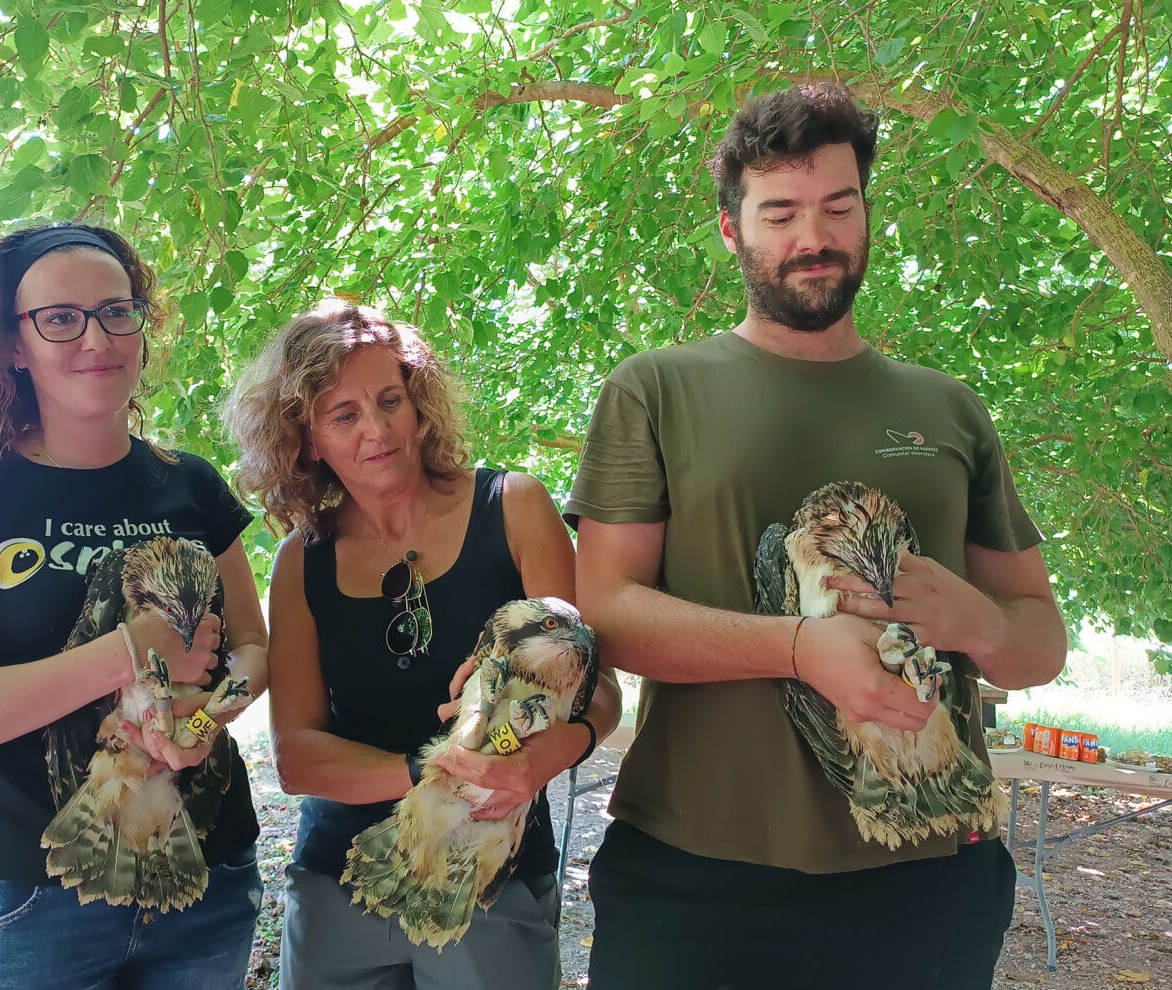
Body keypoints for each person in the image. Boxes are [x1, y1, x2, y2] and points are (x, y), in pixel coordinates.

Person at [566, 84, 1067, 990]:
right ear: (732, 230)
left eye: (839, 206)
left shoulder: (949, 409)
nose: (814, 237)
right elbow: (606, 613)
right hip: (696, 873)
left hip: (930, 878)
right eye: (781, 212)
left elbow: (1039, 643)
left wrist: (977, 624)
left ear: (867, 213)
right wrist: (799, 647)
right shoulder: (654, 390)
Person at [0, 222, 269, 989]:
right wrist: (132, 648)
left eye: (117, 311)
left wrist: (203, 718)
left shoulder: (189, 483)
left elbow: (254, 647)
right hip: (18, 894)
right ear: (13, 344)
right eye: (60, 318)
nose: (97, 337)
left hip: (205, 880)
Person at [224, 299, 621, 989]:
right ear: (309, 439)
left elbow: (601, 691)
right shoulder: (300, 561)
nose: (377, 429)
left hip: (488, 873)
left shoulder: (515, 507)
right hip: (338, 882)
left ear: (420, 405)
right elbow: (298, 759)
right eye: (344, 415)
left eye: (390, 400)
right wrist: (435, 772)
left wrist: (546, 755)